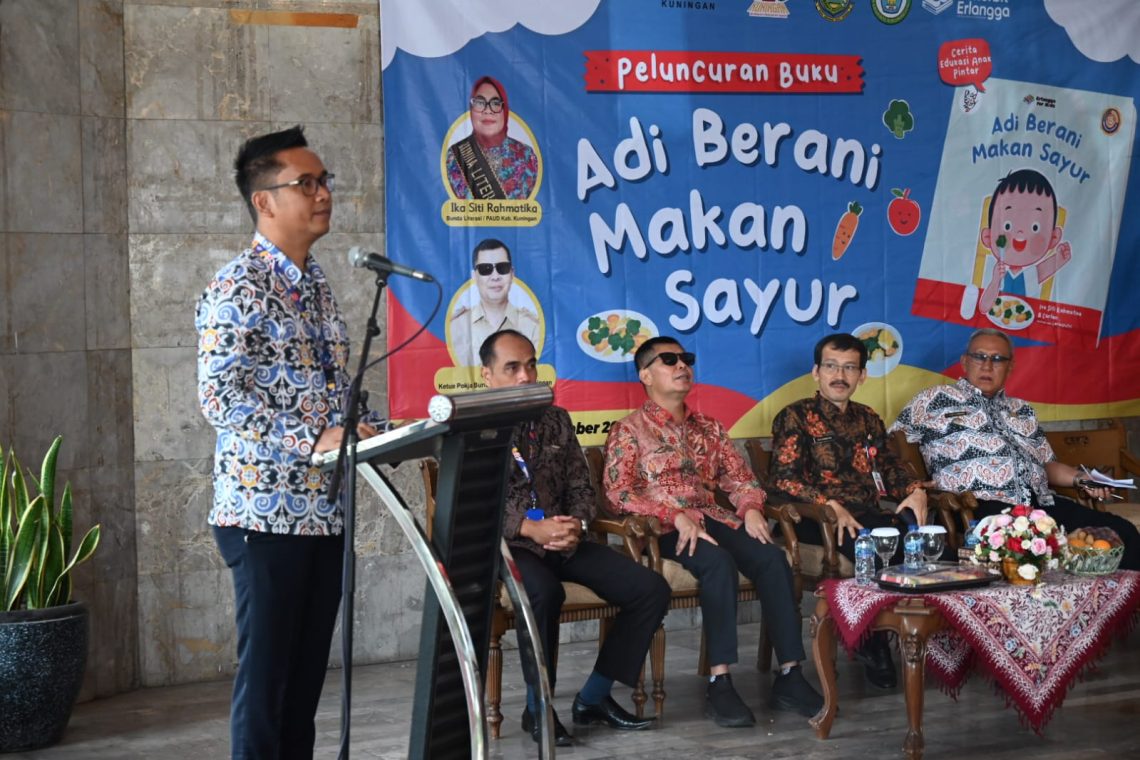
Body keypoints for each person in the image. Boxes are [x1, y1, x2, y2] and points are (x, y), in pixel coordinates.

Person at [196, 126, 383, 759]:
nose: (324, 192)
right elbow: (221, 398)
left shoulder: (317, 283)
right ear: (264, 201)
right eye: (307, 183)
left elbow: (325, 392)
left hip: (322, 512)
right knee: (267, 686)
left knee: (303, 689)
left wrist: (371, 424)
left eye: (325, 180)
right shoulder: (237, 288)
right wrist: (313, 436)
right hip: (264, 513)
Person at [603, 336, 824, 728]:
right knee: (717, 564)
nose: (681, 365)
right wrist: (671, 512)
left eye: (685, 358)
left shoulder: (709, 427)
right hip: (663, 530)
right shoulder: (629, 430)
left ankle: (790, 673)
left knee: (772, 557)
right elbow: (618, 493)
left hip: (713, 519)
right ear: (645, 375)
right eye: (668, 360)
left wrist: (751, 508)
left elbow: (740, 479)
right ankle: (719, 681)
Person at [480, 329, 670, 746]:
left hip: (564, 538)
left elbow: (582, 487)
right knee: (545, 595)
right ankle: (537, 707)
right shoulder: (473, 428)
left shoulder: (555, 419)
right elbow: (472, 502)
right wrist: (530, 527)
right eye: (511, 367)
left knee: (650, 588)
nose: (524, 375)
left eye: (530, 364)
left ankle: (594, 697)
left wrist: (575, 527)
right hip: (510, 544)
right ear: (487, 375)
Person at [891, 328, 1140, 570]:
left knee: (1122, 533)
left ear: (1010, 367)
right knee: (1029, 548)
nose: (987, 365)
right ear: (964, 361)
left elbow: (1046, 463)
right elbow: (889, 447)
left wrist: (1081, 479)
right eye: (979, 356)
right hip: (978, 507)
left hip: (1039, 505)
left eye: (998, 359)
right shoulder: (934, 399)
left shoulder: (1021, 410)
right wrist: (915, 485)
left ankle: (1110, 610)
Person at [768, 333, 931, 689]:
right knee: (872, 551)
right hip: (814, 521)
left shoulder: (868, 418)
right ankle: (873, 644)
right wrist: (828, 504)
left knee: (931, 548)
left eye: (849, 368)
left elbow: (889, 465)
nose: (839, 376)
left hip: (866, 516)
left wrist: (914, 489)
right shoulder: (795, 417)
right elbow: (782, 482)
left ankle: (926, 642)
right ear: (816, 372)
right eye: (831, 366)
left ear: (862, 376)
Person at [977, 168, 1071, 316]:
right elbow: (983, 308)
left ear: (1053, 238)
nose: (1020, 234)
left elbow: (1043, 270)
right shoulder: (995, 267)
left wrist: (1059, 259)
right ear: (988, 237)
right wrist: (995, 280)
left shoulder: (1030, 272)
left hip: (1028, 327)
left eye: (1035, 227)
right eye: (1007, 226)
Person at [449, 238, 540, 365]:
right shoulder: (456, 327)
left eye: (502, 268)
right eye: (485, 269)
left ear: (512, 273)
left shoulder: (534, 327)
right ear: (474, 276)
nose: (495, 276)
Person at [446, 75, 538, 200]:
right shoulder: (454, 157)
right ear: (471, 109)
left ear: (504, 110)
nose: (488, 111)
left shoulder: (526, 156)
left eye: (495, 103)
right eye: (479, 102)